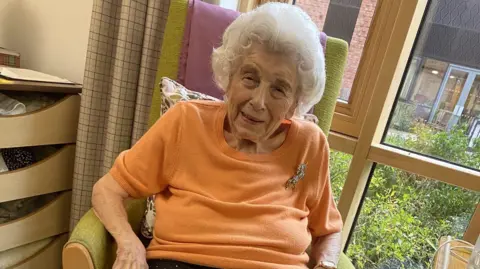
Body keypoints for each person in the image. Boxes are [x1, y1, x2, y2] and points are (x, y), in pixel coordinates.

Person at [91, 3, 343, 269]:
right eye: (250, 78)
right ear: (229, 76)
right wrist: (129, 243)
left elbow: (328, 229)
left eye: (279, 89)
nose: (258, 101)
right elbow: (107, 190)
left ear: (295, 104)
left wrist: (326, 263)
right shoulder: (186, 122)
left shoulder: (309, 145)